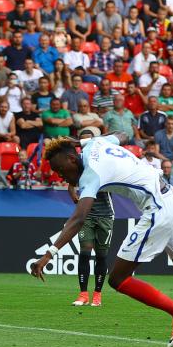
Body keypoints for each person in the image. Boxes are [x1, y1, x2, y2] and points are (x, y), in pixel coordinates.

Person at [31, 134, 173, 347]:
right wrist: (81, 141)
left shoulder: (90, 175)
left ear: (72, 159)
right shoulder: (96, 143)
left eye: (59, 168)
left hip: (158, 209)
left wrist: (48, 255)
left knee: (118, 278)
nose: (59, 174)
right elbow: (122, 136)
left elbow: (78, 218)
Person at [70, 129, 114, 307]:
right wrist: (73, 194)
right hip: (87, 215)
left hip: (105, 215)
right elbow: (71, 185)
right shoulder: (79, 166)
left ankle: (97, 295)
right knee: (85, 253)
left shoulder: (105, 163)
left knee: (102, 256)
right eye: (82, 143)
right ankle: (83, 295)